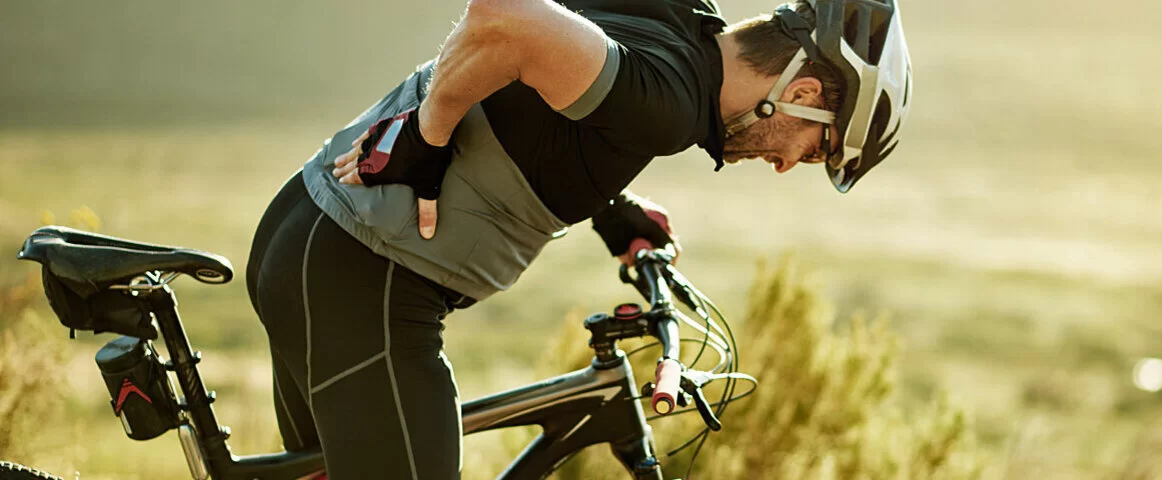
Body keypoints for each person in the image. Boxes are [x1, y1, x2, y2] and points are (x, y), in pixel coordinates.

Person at [244, 0, 912, 477]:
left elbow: (546, 105)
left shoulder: (677, 22)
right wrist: (428, 131)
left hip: (314, 240)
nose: (790, 163)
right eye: (817, 143)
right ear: (798, 90)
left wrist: (608, 205)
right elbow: (504, 17)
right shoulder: (669, 104)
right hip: (364, 281)